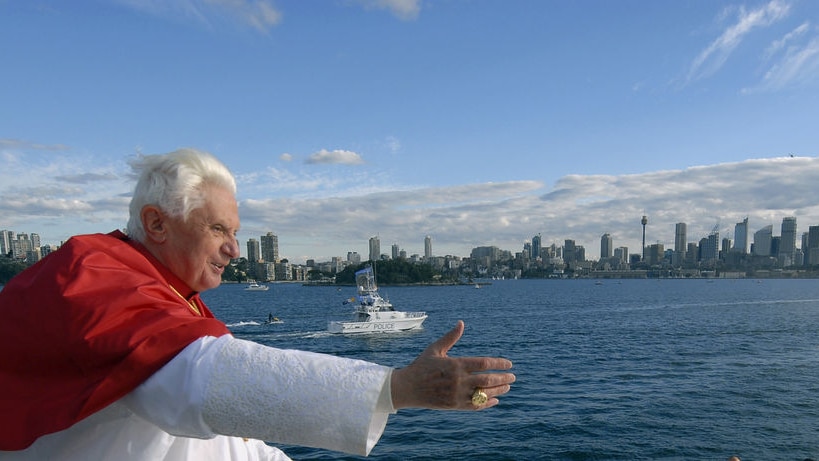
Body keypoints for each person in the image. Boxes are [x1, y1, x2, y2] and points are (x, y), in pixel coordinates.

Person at [0, 148, 515, 461]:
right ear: (157, 223)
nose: (233, 248)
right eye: (218, 229)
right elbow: (200, 383)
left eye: (238, 232)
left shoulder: (162, 294)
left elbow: (214, 430)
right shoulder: (92, 277)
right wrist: (397, 388)